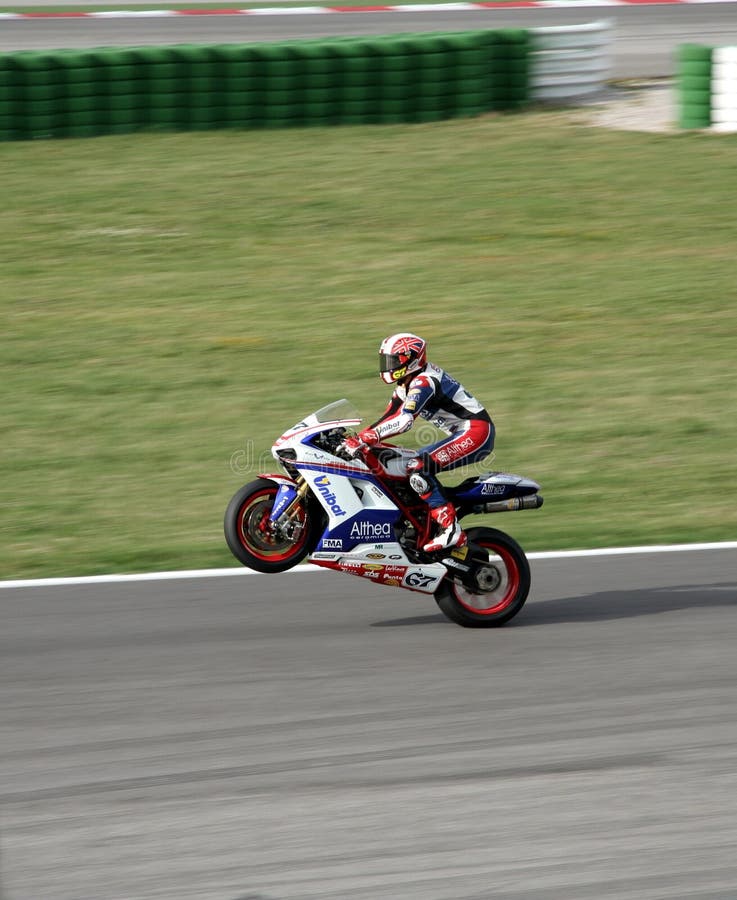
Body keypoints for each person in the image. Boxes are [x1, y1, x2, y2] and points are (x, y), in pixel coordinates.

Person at [344, 333, 495, 553]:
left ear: (410, 359)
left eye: (393, 361)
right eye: (386, 360)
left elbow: (404, 421)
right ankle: (424, 521)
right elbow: (388, 417)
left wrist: (367, 438)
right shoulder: (406, 384)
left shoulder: (424, 382)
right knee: (397, 463)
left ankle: (449, 527)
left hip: (476, 431)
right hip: (461, 432)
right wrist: (357, 439)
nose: (388, 366)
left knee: (418, 467)